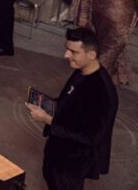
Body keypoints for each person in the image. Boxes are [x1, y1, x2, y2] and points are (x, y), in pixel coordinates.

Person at [27, 28, 118, 189]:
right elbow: (67, 102)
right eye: (67, 49)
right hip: (57, 151)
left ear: (91, 55)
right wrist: (46, 104)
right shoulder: (81, 71)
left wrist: (47, 119)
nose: (66, 55)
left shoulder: (103, 92)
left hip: (72, 163)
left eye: (73, 52)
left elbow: (91, 138)